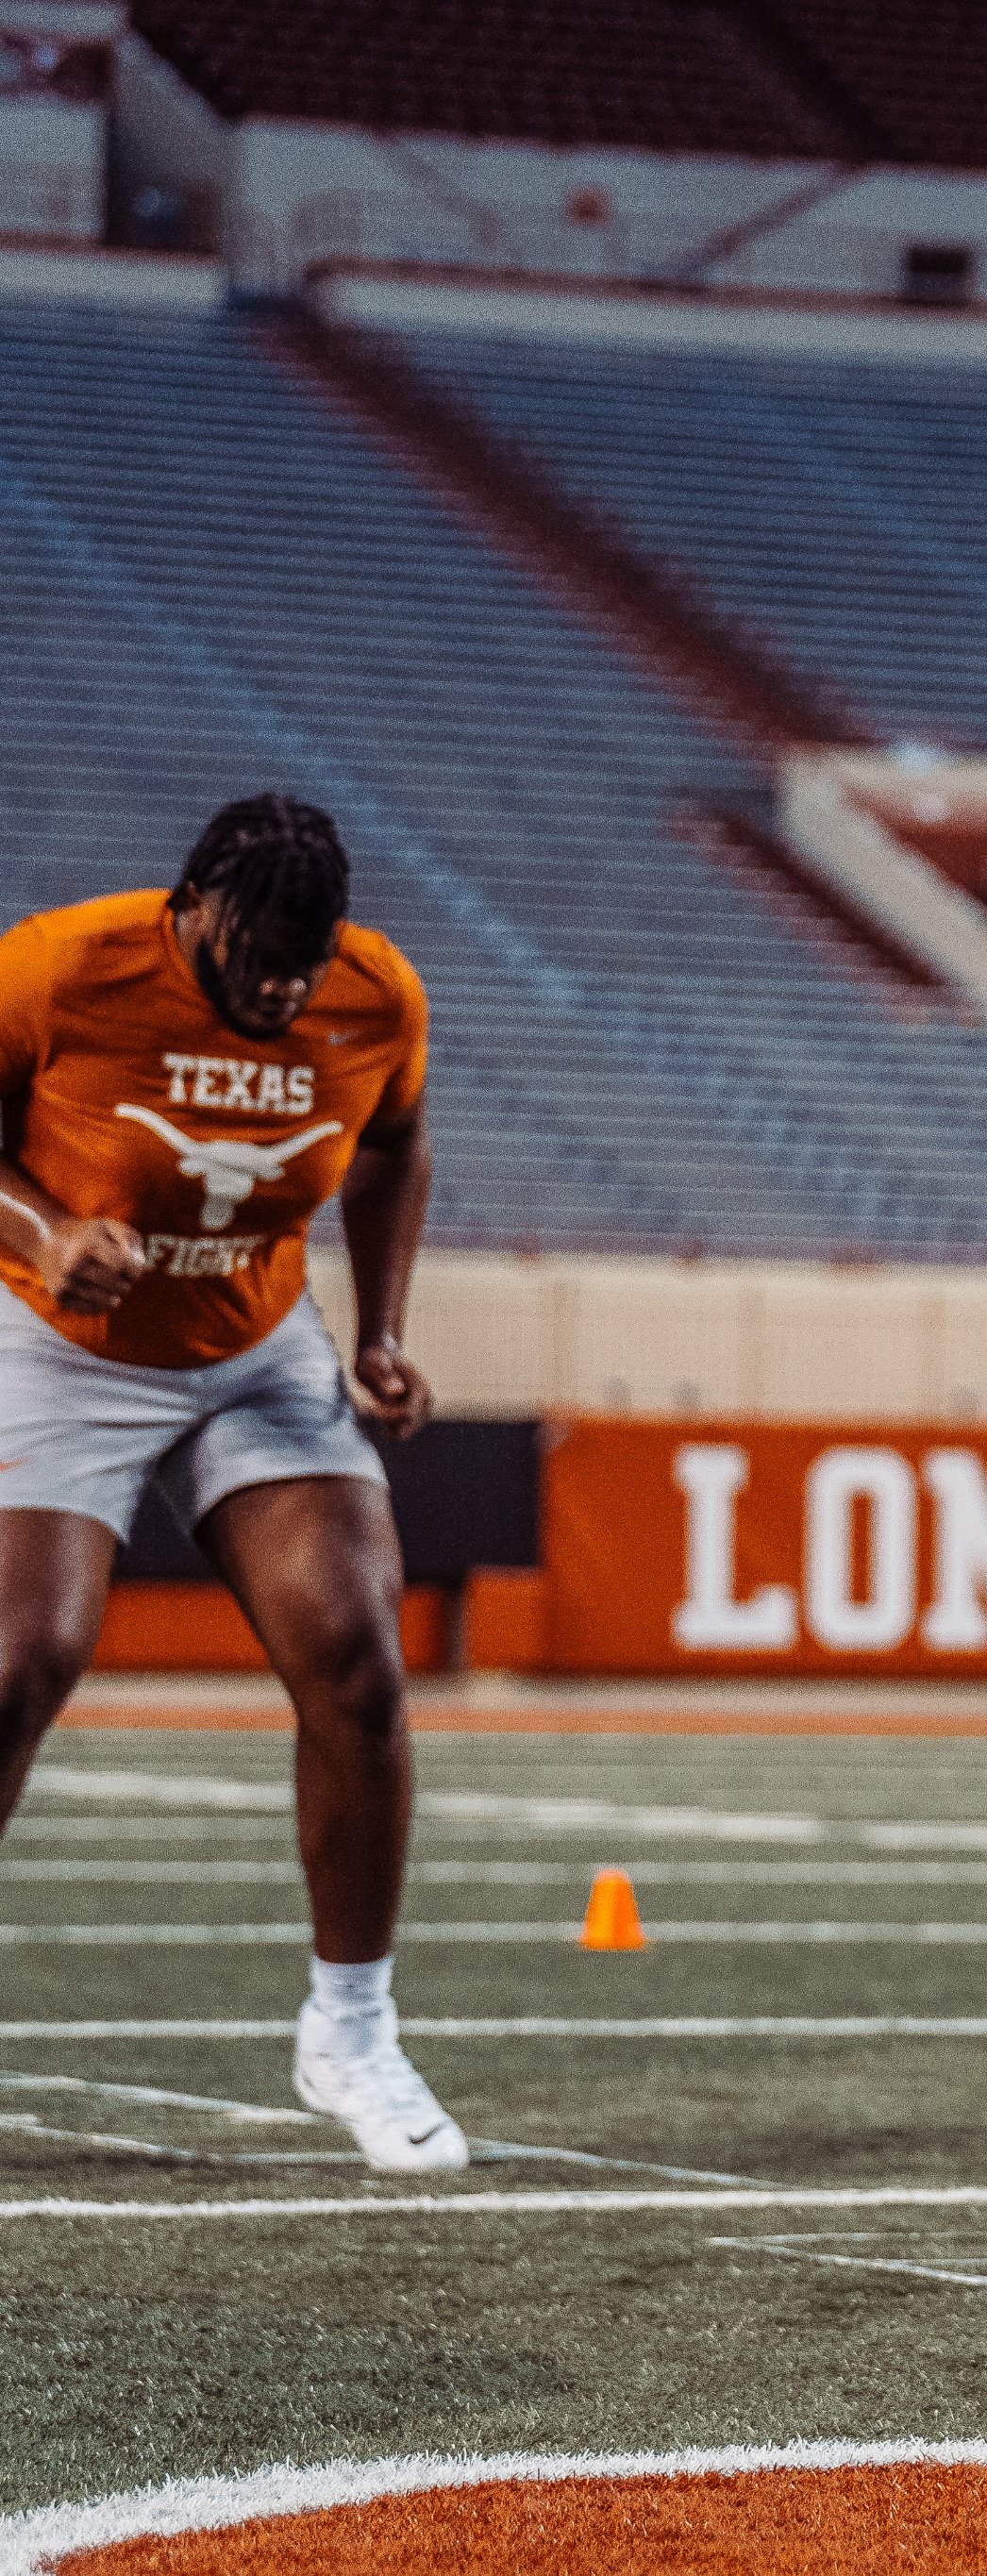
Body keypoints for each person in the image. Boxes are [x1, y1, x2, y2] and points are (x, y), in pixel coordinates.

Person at [0, 795, 452, 2171]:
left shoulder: (375, 996)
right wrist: (39, 1228)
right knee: (21, 1658)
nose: (280, 984)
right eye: (255, 950)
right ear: (190, 904)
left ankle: (352, 2032)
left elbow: (389, 1152)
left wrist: (377, 1329)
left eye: (303, 958)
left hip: (255, 1348)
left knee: (359, 1660)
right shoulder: (64, 969)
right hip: (58, 1341)